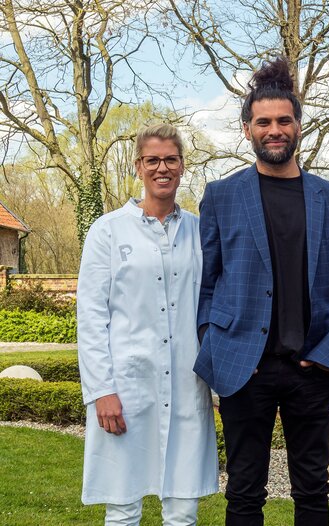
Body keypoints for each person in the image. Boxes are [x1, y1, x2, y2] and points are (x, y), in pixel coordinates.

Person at [193, 57, 329, 526]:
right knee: (244, 492)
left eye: (284, 120)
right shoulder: (221, 196)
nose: (274, 130)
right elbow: (207, 283)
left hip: (312, 366)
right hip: (244, 368)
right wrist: (214, 343)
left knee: (313, 491)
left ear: (299, 127)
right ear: (247, 129)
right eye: (263, 122)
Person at [77, 123, 218, 525]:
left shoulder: (199, 231)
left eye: (171, 159)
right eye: (152, 160)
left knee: (183, 509)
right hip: (126, 386)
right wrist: (101, 390)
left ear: (182, 166)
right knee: (123, 506)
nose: (162, 168)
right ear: (138, 166)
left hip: (187, 385)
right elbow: (91, 316)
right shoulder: (107, 230)